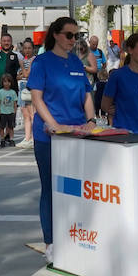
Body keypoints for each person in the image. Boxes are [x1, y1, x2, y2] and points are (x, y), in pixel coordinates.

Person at [28, 16, 95, 262]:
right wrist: (52, 124)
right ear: (55, 34)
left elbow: (87, 94)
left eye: (76, 36)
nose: (73, 40)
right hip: (50, 137)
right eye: (69, 35)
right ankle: (51, 242)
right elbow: (37, 97)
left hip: (77, 134)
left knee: (76, 189)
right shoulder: (42, 62)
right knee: (50, 189)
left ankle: (75, 237)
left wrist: (91, 121)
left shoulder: (77, 63)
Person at [102, 33, 138, 136]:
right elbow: (105, 105)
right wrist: (119, 110)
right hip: (124, 133)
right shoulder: (117, 76)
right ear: (130, 50)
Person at [16, 39, 37, 148]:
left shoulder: (34, 59)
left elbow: (26, 74)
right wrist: (22, 73)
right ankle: (27, 137)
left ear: (33, 49)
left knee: (32, 114)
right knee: (25, 114)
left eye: (29, 48)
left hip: (30, 88)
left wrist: (23, 68)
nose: (27, 50)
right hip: (22, 87)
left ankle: (34, 137)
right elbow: (18, 76)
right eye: (25, 48)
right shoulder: (23, 60)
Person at [0, 74, 18, 148]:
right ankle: (2, 139)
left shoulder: (13, 92)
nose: (7, 83)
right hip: (3, 112)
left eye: (9, 82)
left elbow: (15, 103)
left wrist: (15, 111)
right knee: (2, 127)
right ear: (2, 83)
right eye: (5, 82)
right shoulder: (0, 92)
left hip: (10, 112)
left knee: (11, 127)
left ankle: (11, 139)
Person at [88, 35, 108, 116]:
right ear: (89, 43)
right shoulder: (87, 52)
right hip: (90, 73)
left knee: (99, 92)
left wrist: (102, 71)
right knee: (91, 91)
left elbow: (104, 62)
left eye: (96, 44)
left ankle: (99, 109)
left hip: (99, 74)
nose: (95, 46)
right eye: (93, 44)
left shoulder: (99, 52)